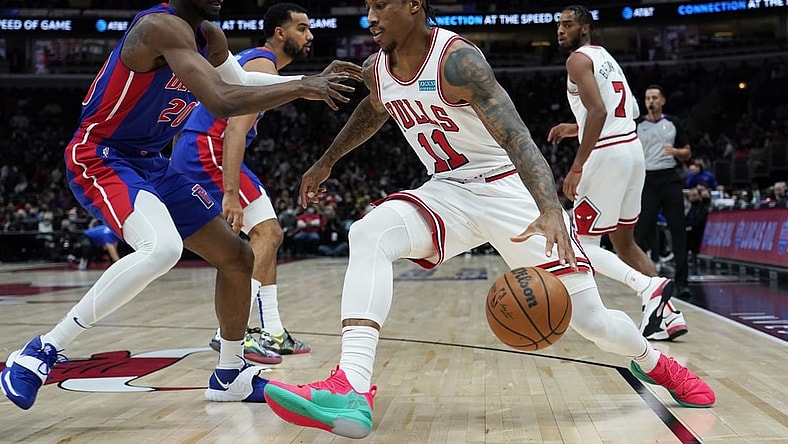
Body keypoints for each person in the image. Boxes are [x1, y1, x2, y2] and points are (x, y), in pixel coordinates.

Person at [261, 1, 715, 439]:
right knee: (368, 232)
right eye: (368, 6)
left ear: (415, 5)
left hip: (506, 190)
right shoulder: (377, 68)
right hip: (448, 190)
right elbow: (375, 107)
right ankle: (352, 386)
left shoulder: (458, 62)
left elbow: (518, 138)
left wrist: (551, 210)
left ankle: (657, 362)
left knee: (593, 321)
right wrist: (327, 161)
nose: (371, 16)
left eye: (382, 4)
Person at [0, 0, 358, 410]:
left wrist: (306, 81)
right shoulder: (160, 27)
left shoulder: (211, 36)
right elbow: (223, 100)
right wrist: (301, 86)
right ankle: (40, 351)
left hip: (152, 161)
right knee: (163, 248)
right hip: (102, 155)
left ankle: (230, 374)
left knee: (239, 257)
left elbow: (242, 82)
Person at [170, 3, 346, 364]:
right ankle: (232, 332)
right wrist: (231, 194)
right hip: (208, 148)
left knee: (270, 235)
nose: (309, 35)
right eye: (301, 28)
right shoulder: (262, 62)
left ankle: (274, 331)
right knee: (267, 233)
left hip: (199, 146)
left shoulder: (257, 63)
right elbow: (235, 130)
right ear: (280, 34)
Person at [547, 6, 676, 341]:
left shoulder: (576, 60)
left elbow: (599, 110)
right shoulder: (604, 56)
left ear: (585, 28)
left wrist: (577, 166)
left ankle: (648, 286)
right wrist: (576, 127)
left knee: (580, 243)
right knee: (624, 242)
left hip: (607, 156)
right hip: (631, 150)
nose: (560, 30)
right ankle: (668, 315)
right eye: (558, 25)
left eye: (568, 24)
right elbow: (626, 110)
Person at [633, 84, 691, 340]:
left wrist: (676, 152)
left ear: (663, 100)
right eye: (647, 98)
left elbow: (688, 152)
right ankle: (643, 281)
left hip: (670, 179)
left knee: (678, 233)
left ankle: (683, 283)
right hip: (647, 181)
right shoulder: (637, 125)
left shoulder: (674, 123)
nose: (651, 101)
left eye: (655, 97)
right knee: (641, 234)